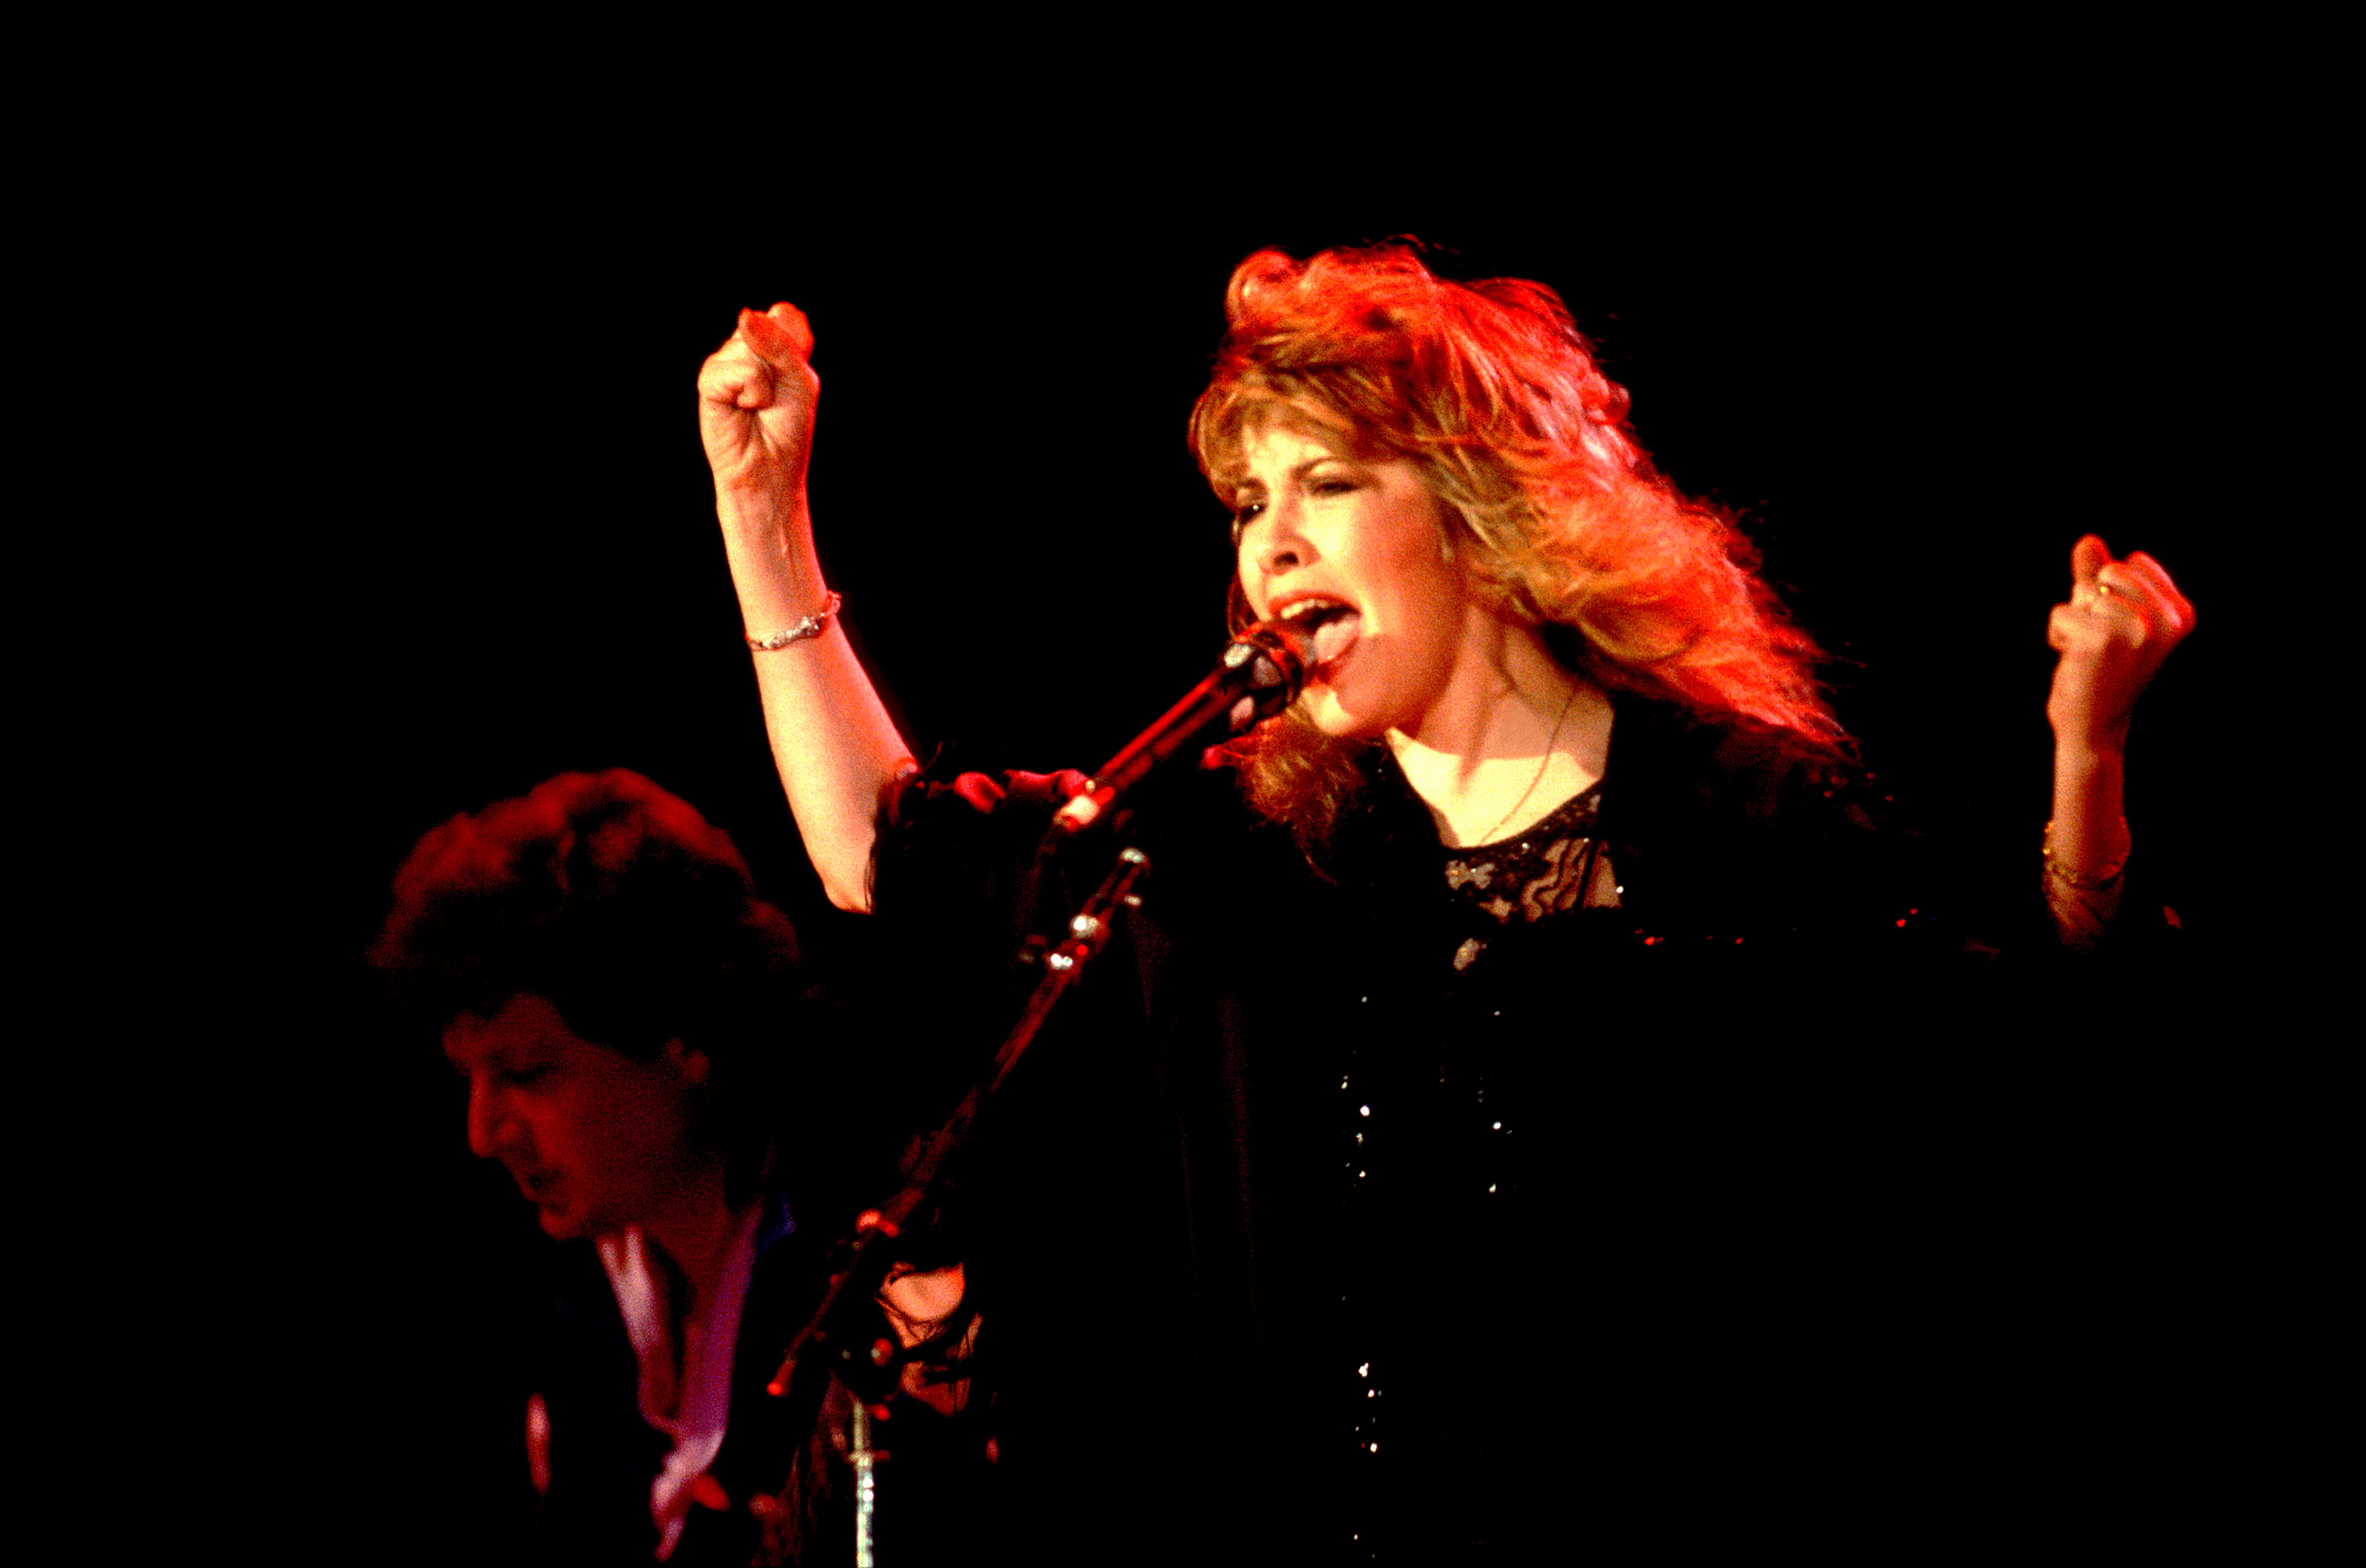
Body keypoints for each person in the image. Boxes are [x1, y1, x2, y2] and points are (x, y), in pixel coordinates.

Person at [694, 245, 2195, 1560]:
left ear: (1480, 508)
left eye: (1327, 483)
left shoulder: (1731, 818)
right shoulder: (1243, 846)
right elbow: (885, 860)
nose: (1268, 541)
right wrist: (762, 513)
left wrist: (2088, 752)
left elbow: (2039, 1057)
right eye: (1243, 500)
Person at [372, 769, 987, 1567]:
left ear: (681, 1037)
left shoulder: (879, 1262)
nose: (481, 1134)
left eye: (526, 1073)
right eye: (469, 1079)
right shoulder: (572, 1315)